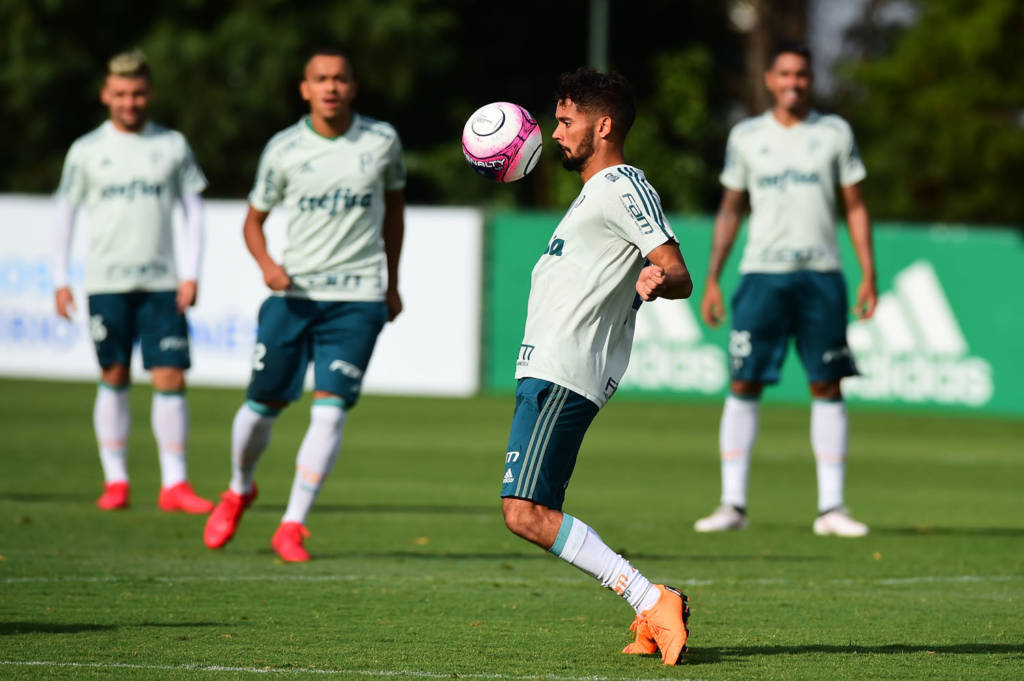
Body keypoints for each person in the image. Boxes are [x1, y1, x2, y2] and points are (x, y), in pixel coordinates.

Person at [500, 68, 693, 665]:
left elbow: (677, 270)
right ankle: (653, 605)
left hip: (565, 371)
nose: (555, 133)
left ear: (603, 126)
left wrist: (660, 279)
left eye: (566, 122)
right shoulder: (593, 193)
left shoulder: (620, 185)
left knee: (525, 513)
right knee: (526, 511)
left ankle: (651, 599)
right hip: (548, 371)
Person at [202, 48, 405, 563]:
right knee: (259, 409)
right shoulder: (284, 149)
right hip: (294, 296)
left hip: (357, 298)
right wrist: (266, 265)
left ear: (353, 87)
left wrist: (392, 283)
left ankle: (292, 524)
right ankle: (239, 489)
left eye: (339, 78)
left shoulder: (382, 141)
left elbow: (394, 214)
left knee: (331, 410)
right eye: (321, 79)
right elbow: (252, 221)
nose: (330, 86)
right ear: (305, 89)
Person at [693, 42, 877, 537]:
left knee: (827, 383)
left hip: (821, 274)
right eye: (785, 74)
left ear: (810, 80)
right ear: (770, 80)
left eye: (802, 74)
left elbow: (855, 205)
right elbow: (731, 208)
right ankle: (732, 504)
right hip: (760, 275)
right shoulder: (747, 136)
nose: (793, 82)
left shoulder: (835, 133)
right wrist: (712, 278)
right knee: (744, 381)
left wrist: (868, 272)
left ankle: (832, 508)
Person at [53, 50, 213, 514]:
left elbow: (194, 213)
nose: (130, 102)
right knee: (114, 373)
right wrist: (60, 279)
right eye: (121, 93)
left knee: (171, 374)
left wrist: (191, 273)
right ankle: (116, 479)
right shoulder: (86, 150)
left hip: (162, 282)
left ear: (150, 94)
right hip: (106, 281)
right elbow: (64, 216)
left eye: (138, 93)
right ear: (106, 95)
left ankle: (175, 484)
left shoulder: (173, 145)